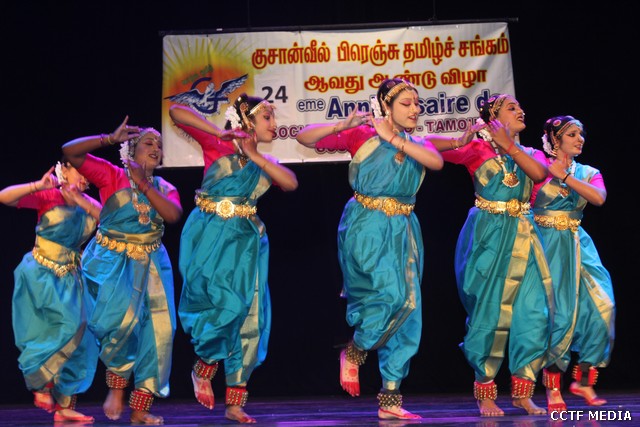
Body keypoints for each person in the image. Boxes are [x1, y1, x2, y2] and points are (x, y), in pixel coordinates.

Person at [296, 78, 444, 420]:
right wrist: (340, 125)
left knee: (409, 308)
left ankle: (390, 397)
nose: (415, 109)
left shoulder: (416, 143)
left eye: (417, 104)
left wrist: (392, 138)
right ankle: (356, 350)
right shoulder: (362, 135)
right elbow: (304, 137)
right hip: (367, 225)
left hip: (404, 229)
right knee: (387, 297)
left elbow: (435, 162)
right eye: (406, 103)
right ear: (385, 106)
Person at [169, 94, 298, 424]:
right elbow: (176, 111)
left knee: (250, 316)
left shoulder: (262, 160)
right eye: (267, 118)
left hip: (247, 243)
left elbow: (290, 183)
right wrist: (218, 131)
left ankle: (235, 402)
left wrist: (254, 155)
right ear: (247, 121)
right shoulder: (218, 143)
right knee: (224, 307)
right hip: (211, 237)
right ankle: (205, 365)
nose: (274, 124)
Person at [428, 93, 552, 416]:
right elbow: (425, 145)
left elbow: (539, 175)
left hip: (525, 235)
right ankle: (485, 389)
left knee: (533, 312)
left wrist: (509, 146)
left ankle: (523, 391)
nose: (521, 110)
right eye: (512, 107)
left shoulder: (531, 154)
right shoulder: (477, 150)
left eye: (520, 106)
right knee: (489, 312)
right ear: (493, 118)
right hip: (489, 236)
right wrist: (458, 139)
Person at [62, 118, 183, 425]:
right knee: (118, 323)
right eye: (148, 143)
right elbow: (70, 151)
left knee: (160, 332)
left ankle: (141, 408)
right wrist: (107, 138)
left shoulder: (165, 187)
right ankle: (116, 388)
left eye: (159, 145)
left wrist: (144, 183)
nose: (155, 148)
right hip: (112, 261)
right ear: (131, 150)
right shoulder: (112, 175)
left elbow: (172, 214)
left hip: (153, 264)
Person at [0, 162, 101, 423]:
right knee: (64, 326)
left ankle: (64, 407)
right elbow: (4, 197)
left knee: (82, 340)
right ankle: (41, 384)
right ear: (64, 170)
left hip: (71, 276)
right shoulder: (49, 195)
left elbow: (110, 221)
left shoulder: (89, 203)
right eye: (79, 170)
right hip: (42, 273)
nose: (86, 177)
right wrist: (37, 185)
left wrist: (80, 200)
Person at [532, 115, 614, 412]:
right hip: (546, 244)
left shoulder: (588, 172)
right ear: (555, 139)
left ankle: (584, 379)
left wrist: (565, 177)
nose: (580, 139)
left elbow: (599, 198)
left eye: (581, 134)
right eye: (572, 134)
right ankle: (553, 388)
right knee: (560, 314)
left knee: (604, 307)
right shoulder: (536, 167)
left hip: (579, 243)